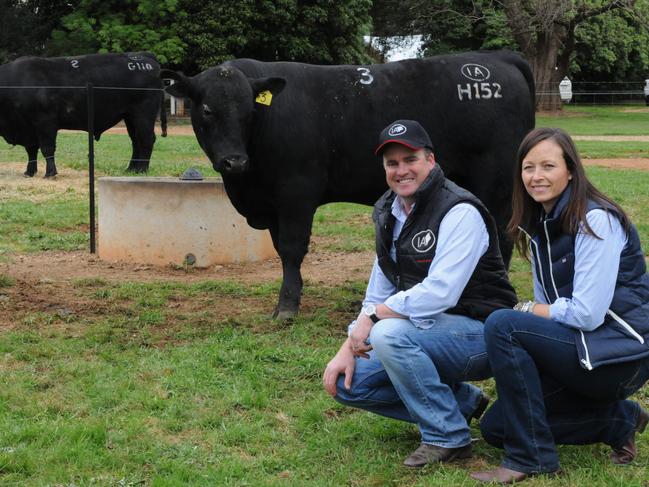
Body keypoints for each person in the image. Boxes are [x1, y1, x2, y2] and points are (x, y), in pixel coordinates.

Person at [322, 119, 517, 467]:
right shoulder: (388, 211)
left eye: (410, 159)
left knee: (390, 333)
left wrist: (373, 318)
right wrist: (348, 345)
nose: (401, 171)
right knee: (348, 383)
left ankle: (447, 437)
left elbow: (441, 292)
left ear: (431, 160)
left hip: (483, 334)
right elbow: (378, 288)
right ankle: (465, 404)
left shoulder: (460, 210)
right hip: (428, 331)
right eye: (392, 163)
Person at [471, 127, 649, 483]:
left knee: (503, 324)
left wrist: (525, 312)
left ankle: (529, 458)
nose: (536, 176)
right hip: (582, 349)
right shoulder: (541, 228)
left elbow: (587, 314)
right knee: (496, 427)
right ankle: (619, 420)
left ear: (570, 170)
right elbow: (549, 307)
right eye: (528, 167)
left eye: (548, 166)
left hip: (619, 356)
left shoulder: (595, 219)